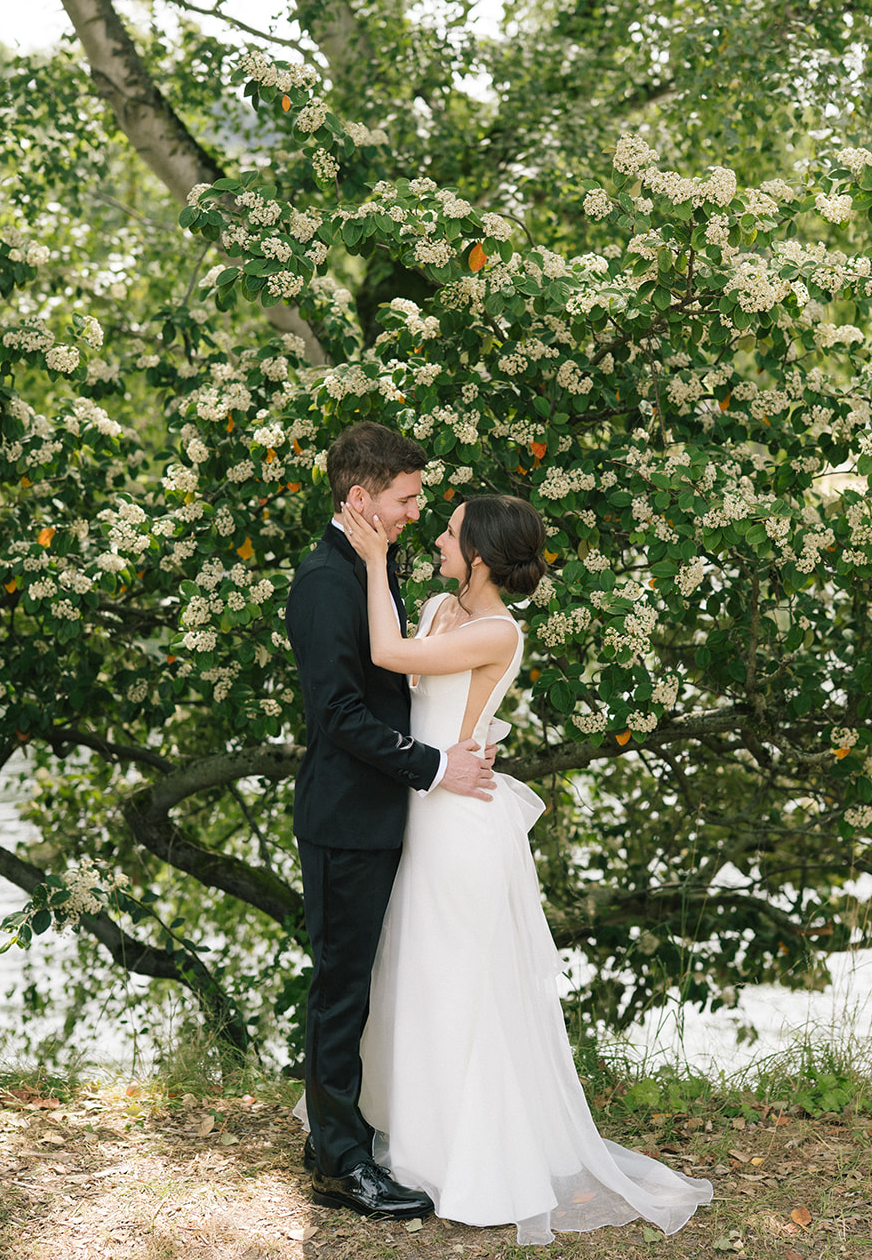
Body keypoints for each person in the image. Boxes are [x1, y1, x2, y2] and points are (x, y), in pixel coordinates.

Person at [341, 491, 714, 1246]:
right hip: (428, 805)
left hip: (459, 829)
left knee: (461, 985)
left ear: (478, 555)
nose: (437, 542)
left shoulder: (494, 631)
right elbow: (423, 701)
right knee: (418, 975)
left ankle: (477, 1163)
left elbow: (389, 657)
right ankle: (419, 1144)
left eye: (448, 535)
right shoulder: (445, 607)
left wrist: (375, 560)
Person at [285, 422, 499, 1220]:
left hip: (376, 815)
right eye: (405, 499)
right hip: (345, 817)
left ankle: (332, 1135)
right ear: (360, 498)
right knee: (341, 989)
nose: (415, 511)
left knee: (356, 984)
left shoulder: (363, 566)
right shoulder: (324, 581)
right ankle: (342, 1165)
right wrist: (437, 767)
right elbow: (338, 714)